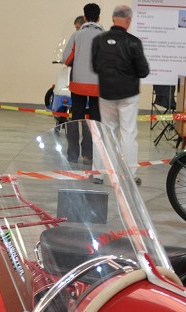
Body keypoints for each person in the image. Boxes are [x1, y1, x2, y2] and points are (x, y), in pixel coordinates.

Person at [92, 5, 149, 185]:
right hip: (128, 95)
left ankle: (98, 173)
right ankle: (129, 175)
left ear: (113, 18)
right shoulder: (133, 42)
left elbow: (95, 67)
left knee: (106, 133)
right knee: (128, 134)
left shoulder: (99, 40)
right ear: (128, 20)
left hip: (106, 93)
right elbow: (143, 71)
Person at [62, 4, 104, 165]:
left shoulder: (76, 35)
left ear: (85, 17)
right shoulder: (104, 36)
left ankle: (73, 155)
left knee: (75, 118)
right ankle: (89, 155)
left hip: (78, 84)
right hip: (97, 86)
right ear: (98, 18)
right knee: (94, 121)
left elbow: (66, 59)